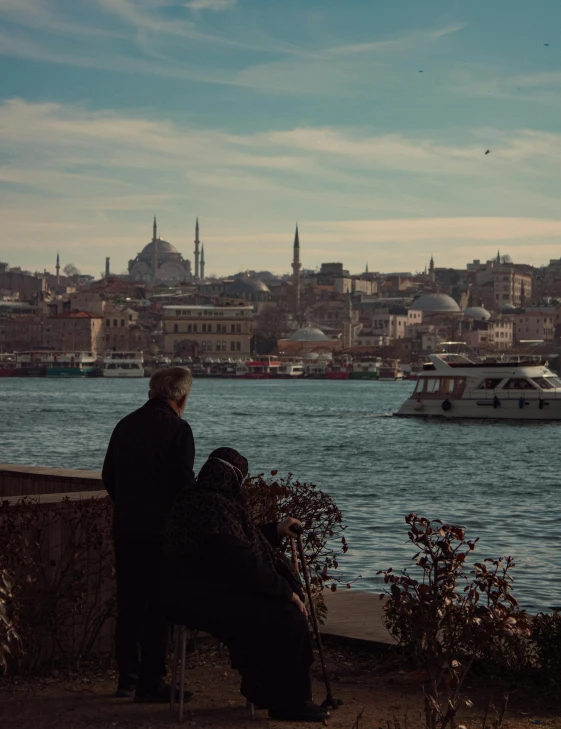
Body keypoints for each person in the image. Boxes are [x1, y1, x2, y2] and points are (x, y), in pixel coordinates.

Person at [162, 448, 330, 723]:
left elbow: (235, 542)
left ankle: (264, 690)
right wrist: (286, 591)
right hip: (202, 599)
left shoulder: (191, 499)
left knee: (264, 611)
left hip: (186, 595)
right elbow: (239, 558)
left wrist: (275, 529)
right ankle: (290, 701)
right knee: (286, 616)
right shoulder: (217, 506)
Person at [102, 366, 195, 702]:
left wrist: (129, 506)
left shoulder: (125, 425)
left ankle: (126, 679)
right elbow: (184, 483)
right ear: (181, 397)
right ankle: (151, 682)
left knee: (129, 606)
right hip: (160, 532)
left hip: (127, 529)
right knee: (157, 608)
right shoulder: (178, 430)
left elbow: (108, 475)